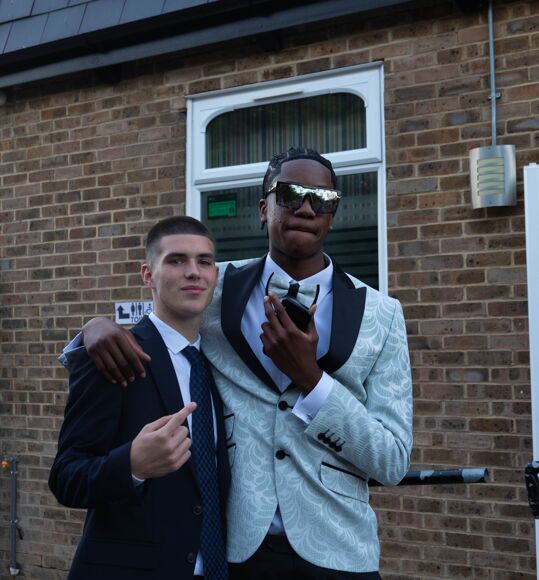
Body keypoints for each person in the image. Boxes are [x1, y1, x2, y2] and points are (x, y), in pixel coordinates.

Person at [65, 147, 413, 579]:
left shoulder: (383, 314)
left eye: (322, 199)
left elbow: (393, 461)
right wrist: (94, 327)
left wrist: (313, 380)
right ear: (264, 208)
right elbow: (159, 314)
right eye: (290, 195)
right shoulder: (215, 285)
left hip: (340, 549)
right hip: (237, 549)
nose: (306, 208)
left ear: (333, 213)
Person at [49, 216, 230, 580]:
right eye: (176, 260)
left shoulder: (222, 364)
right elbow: (66, 477)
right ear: (148, 275)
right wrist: (131, 465)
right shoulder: (113, 355)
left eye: (204, 261)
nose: (193, 272)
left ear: (215, 274)